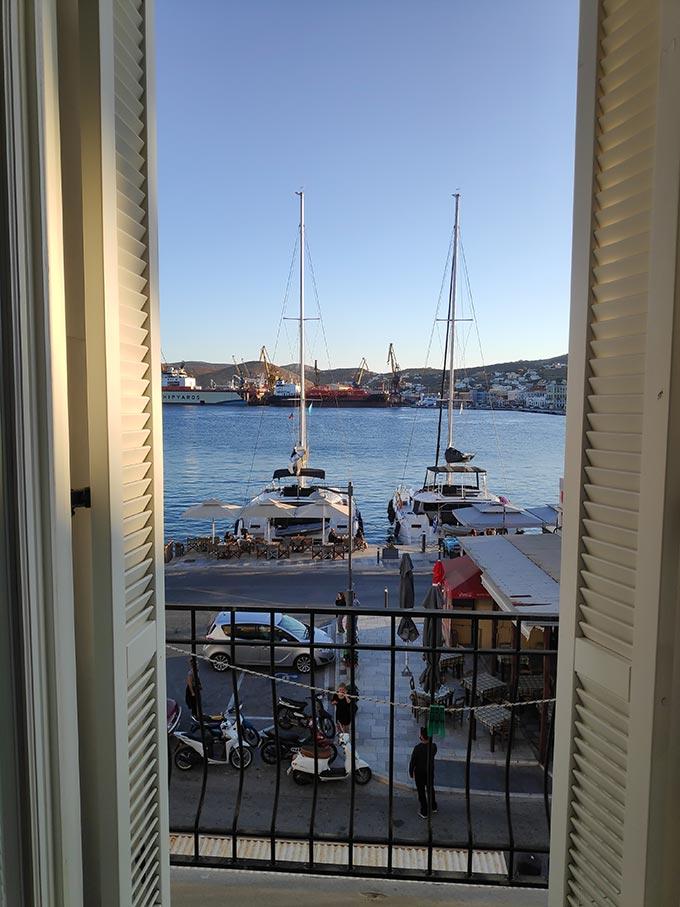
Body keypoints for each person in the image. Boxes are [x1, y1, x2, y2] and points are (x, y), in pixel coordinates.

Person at [409, 726, 438, 819]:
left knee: (421, 791)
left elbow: (412, 761)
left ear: (421, 736)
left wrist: (411, 772)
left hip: (420, 773)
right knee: (430, 788)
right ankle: (433, 806)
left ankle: (424, 810)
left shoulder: (417, 748)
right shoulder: (433, 746)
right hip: (429, 771)